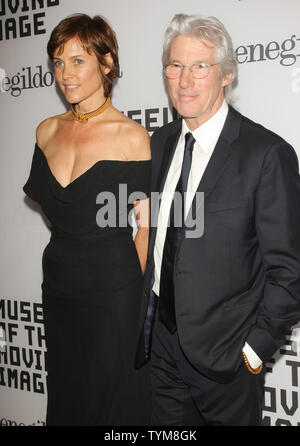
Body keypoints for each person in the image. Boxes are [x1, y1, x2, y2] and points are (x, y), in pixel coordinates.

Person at [135, 13, 300, 426]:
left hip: (227, 362)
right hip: (161, 347)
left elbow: (289, 270)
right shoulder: (160, 142)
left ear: (226, 75)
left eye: (199, 66)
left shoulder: (265, 154)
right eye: (175, 66)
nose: (184, 80)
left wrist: (254, 350)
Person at [23, 13, 151, 426]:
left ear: (107, 63)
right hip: (59, 283)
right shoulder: (45, 131)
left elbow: (146, 225)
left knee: (114, 399)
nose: (66, 73)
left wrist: (133, 294)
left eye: (79, 61)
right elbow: (59, 212)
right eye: (58, 62)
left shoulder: (131, 137)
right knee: (67, 390)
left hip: (114, 289)